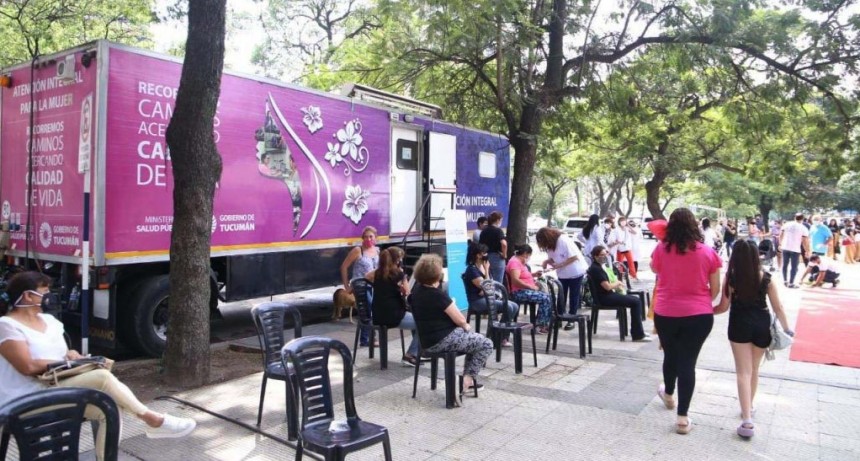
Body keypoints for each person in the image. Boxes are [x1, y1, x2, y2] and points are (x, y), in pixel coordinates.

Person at [0, 272, 196, 460]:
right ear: (28, 296)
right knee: (102, 377)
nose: (49, 297)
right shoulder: (7, 325)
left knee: (110, 410)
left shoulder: (49, 321)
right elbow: (27, 366)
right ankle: (152, 419)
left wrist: (71, 355)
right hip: (24, 397)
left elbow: (59, 353)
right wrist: (67, 362)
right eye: (44, 292)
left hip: (55, 387)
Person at [650, 208, 722, 435]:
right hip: (699, 315)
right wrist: (699, 302)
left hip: (666, 313)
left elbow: (654, 268)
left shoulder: (661, 249)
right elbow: (715, 289)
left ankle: (669, 395)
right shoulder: (708, 252)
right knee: (688, 363)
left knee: (670, 355)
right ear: (694, 225)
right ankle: (682, 418)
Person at [714, 241, 793, 438]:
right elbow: (778, 307)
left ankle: (747, 420)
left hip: (739, 324)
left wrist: (706, 311)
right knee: (754, 369)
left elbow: (723, 306)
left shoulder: (731, 278)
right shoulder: (766, 277)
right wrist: (787, 329)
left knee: (743, 372)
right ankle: (748, 406)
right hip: (761, 325)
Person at [410, 254, 493, 393]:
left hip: (425, 342)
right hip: (442, 340)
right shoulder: (437, 295)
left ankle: (467, 381)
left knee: (474, 341)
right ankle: (466, 382)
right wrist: (466, 326)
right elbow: (460, 320)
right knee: (486, 344)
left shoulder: (416, 291)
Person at [365, 247, 421, 366]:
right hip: (394, 316)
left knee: (416, 321)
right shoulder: (399, 274)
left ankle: (417, 351)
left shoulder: (377, 272)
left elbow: (366, 276)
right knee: (424, 323)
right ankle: (411, 354)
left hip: (378, 315)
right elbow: (407, 293)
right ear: (397, 260)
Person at [587, 246, 650, 342]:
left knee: (635, 300)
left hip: (607, 295)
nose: (604, 257)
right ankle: (637, 334)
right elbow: (607, 287)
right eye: (602, 255)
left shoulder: (599, 267)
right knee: (636, 302)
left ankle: (638, 331)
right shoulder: (596, 269)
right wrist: (618, 283)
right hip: (605, 298)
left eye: (605, 254)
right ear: (595, 256)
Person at [461, 243, 518, 346]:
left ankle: (500, 334)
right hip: (477, 301)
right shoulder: (472, 270)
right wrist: (487, 271)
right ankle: (499, 338)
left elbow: (489, 286)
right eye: (484, 253)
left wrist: (486, 288)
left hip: (487, 297)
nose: (486, 255)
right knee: (508, 307)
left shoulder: (483, 266)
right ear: (478, 255)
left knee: (514, 306)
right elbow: (487, 286)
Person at [536, 227, 588, 330]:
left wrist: (560, 265)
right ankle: (559, 317)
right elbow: (553, 258)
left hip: (575, 271)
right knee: (561, 295)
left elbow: (574, 257)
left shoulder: (563, 240)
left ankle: (571, 319)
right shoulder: (550, 245)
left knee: (573, 295)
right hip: (562, 273)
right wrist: (547, 262)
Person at [340, 225, 380, 346]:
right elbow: (344, 267)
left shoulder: (377, 251)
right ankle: (369, 338)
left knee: (373, 309)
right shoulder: (358, 250)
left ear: (375, 238)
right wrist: (347, 286)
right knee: (367, 308)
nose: (368, 239)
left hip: (373, 284)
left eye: (371, 237)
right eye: (366, 237)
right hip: (361, 284)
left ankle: (367, 338)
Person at [505, 244, 553, 334]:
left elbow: (522, 275)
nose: (529, 258)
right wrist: (530, 287)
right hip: (519, 292)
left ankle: (545, 322)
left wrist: (533, 275)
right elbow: (515, 280)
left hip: (525, 290)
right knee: (545, 298)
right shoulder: (515, 262)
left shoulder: (520, 262)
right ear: (526, 254)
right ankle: (540, 325)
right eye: (529, 255)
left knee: (549, 296)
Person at [779, 213, 810, 288]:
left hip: (785, 247)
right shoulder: (803, 228)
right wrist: (807, 250)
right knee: (794, 266)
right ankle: (791, 283)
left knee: (785, 265)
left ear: (794, 217)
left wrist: (780, 244)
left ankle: (785, 280)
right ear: (802, 219)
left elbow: (781, 234)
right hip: (795, 249)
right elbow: (805, 241)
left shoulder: (787, 224)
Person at [479, 211, 508, 283]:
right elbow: (504, 244)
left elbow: (480, 245)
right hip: (497, 257)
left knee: (488, 281)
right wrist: (504, 255)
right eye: (501, 220)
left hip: (486, 258)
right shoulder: (498, 230)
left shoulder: (484, 231)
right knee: (498, 282)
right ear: (498, 220)